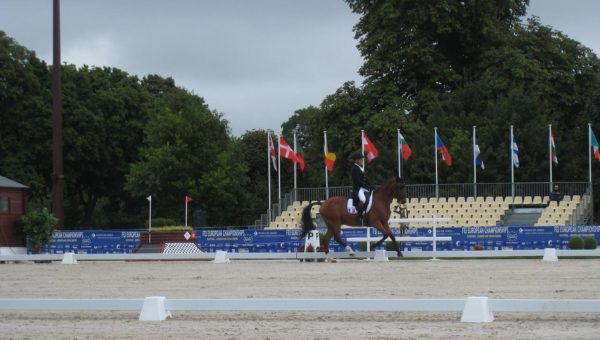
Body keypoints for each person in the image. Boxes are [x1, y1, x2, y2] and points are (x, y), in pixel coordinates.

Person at [351, 152, 372, 224]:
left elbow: (365, 179)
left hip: (362, 187)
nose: (362, 160)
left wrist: (370, 185)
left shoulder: (360, 168)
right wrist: (365, 186)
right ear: (356, 160)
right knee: (363, 199)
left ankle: (366, 213)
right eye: (361, 159)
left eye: (362, 159)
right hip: (358, 188)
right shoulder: (355, 169)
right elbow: (357, 181)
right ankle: (358, 217)